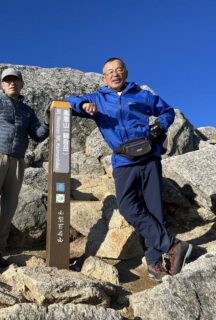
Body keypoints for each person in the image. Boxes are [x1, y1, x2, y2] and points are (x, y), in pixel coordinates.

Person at [66, 57, 192, 281]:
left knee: (155, 210)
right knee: (128, 207)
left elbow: (167, 111)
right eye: (110, 72)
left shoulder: (141, 95)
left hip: (149, 157)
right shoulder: (98, 99)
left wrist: (159, 127)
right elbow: (67, 102)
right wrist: (83, 105)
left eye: (118, 70)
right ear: (104, 78)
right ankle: (172, 245)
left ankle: (155, 263)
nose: (115, 74)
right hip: (123, 161)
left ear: (125, 73)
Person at [0, 68, 49, 268]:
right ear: (2, 85)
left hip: (17, 160)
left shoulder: (27, 111)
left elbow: (38, 134)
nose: (11, 83)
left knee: (9, 206)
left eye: (15, 80)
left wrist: (49, 121)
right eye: (7, 81)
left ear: (22, 84)